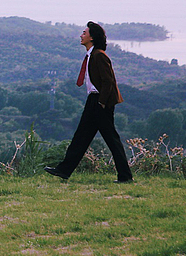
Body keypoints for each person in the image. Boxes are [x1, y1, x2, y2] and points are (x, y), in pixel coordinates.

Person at [45, 21, 133, 183]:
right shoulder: (92, 55)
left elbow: (109, 81)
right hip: (94, 100)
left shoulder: (99, 55)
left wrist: (102, 102)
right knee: (81, 137)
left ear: (92, 37)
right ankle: (64, 170)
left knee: (111, 140)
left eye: (84, 33)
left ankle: (125, 176)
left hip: (100, 101)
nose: (81, 35)